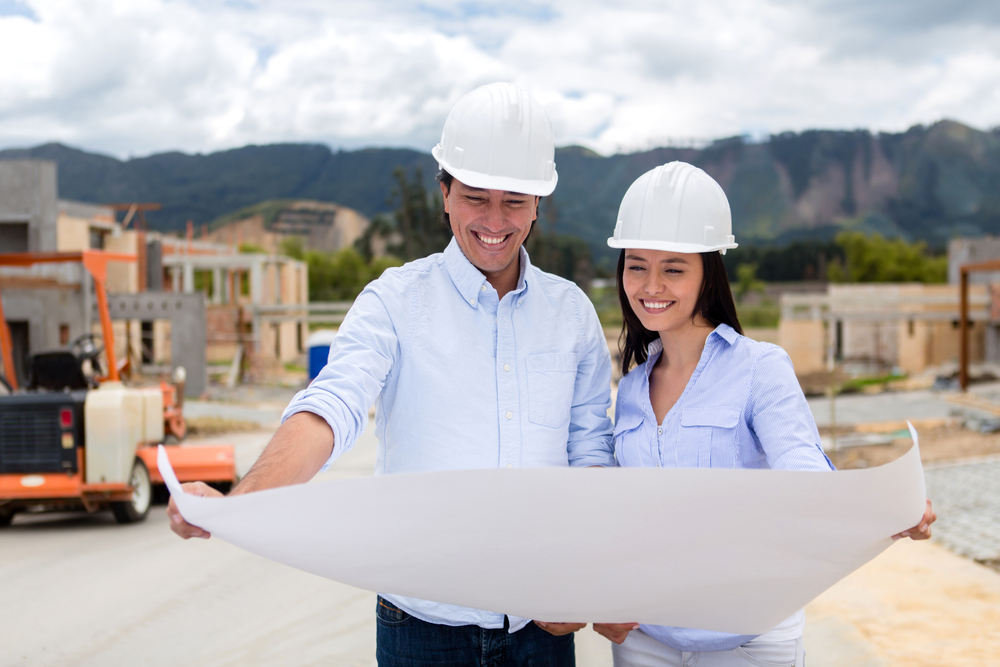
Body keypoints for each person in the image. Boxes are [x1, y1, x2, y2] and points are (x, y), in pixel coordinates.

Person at [167, 82, 615, 666]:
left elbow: (589, 454)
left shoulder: (572, 314)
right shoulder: (395, 301)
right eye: (476, 198)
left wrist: (586, 577)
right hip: (422, 632)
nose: (494, 220)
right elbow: (332, 406)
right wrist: (241, 503)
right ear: (445, 194)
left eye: (514, 201)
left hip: (541, 629)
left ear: (537, 203)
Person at [589, 162, 937, 667]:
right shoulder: (632, 389)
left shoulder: (759, 368)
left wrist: (882, 509)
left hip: (748, 641)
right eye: (637, 266)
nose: (651, 285)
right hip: (646, 641)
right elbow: (624, 514)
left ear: (708, 273)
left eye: (674, 268)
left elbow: (803, 469)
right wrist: (602, 595)